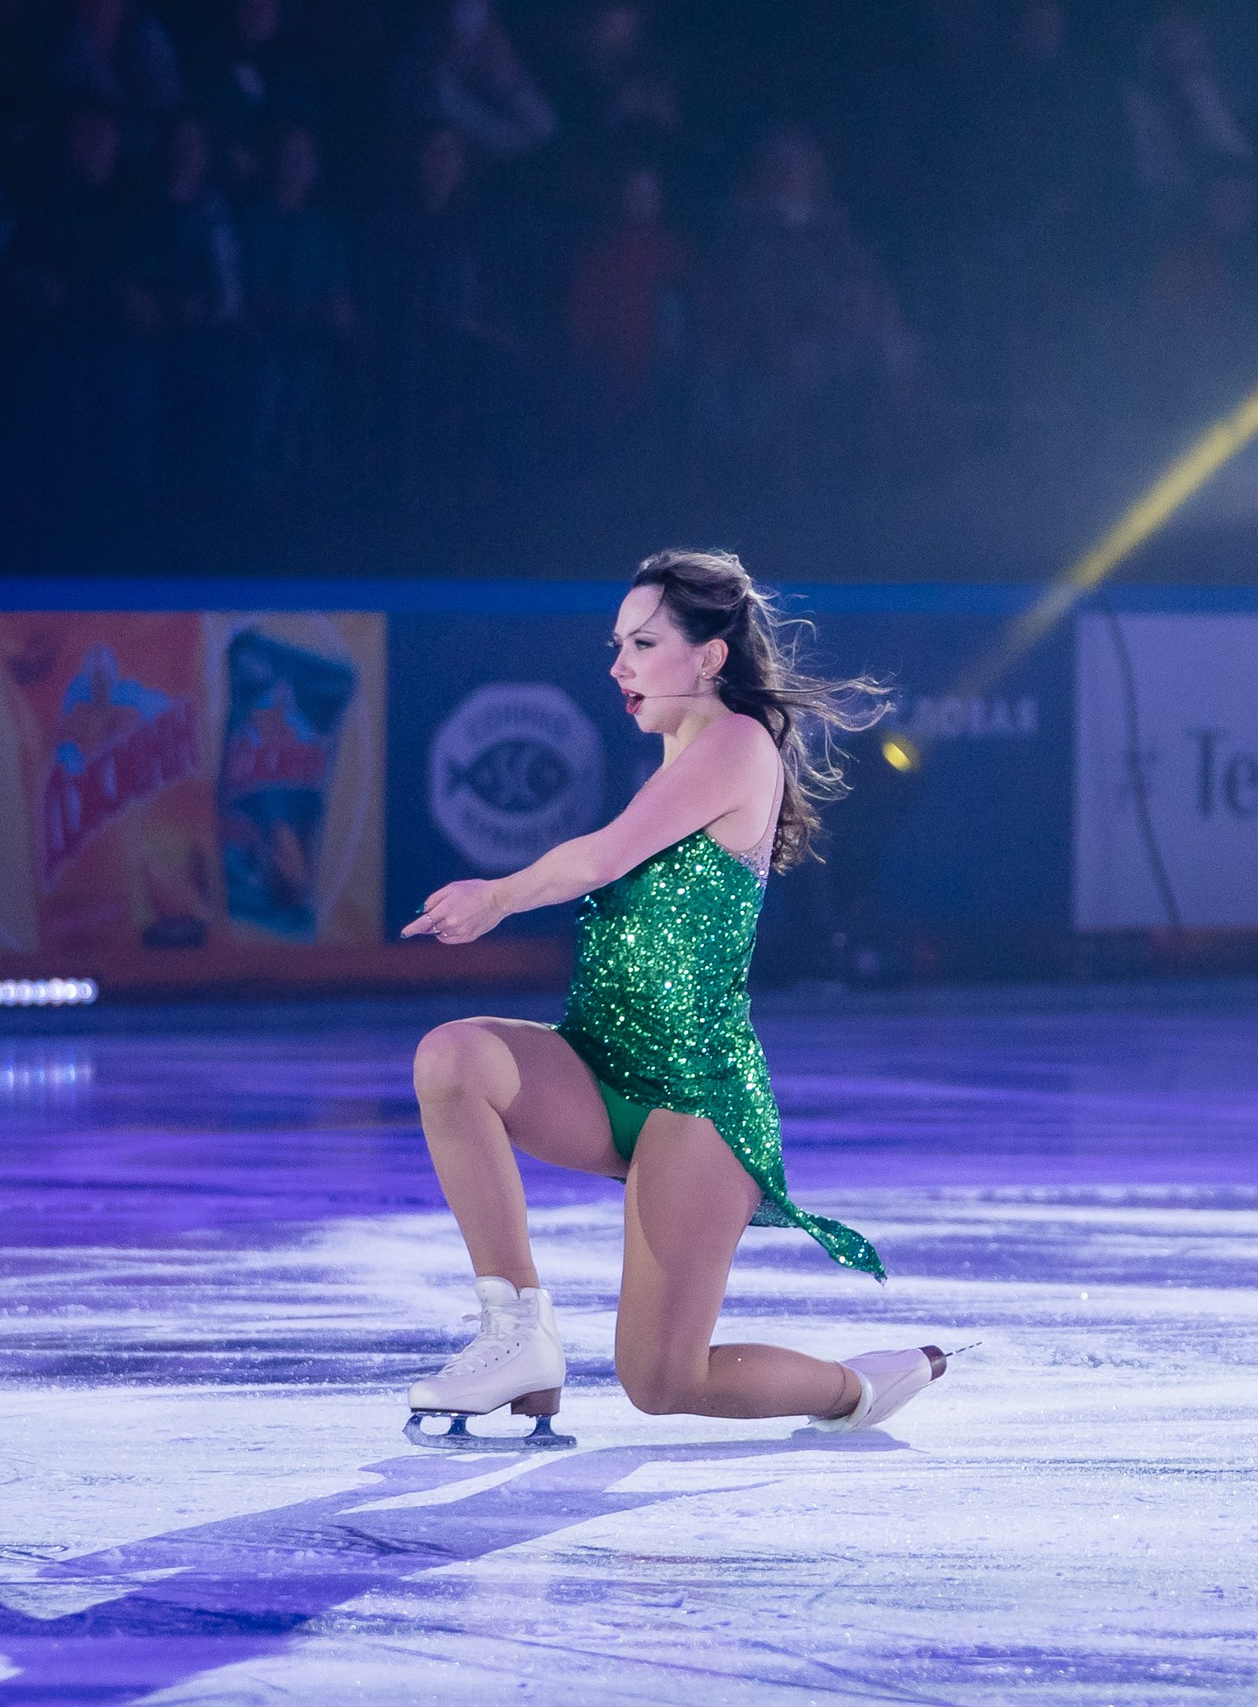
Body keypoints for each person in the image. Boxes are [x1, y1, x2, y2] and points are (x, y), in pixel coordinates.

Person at [399, 550, 952, 1447]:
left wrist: (496, 895)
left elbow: (605, 855)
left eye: (643, 642)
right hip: (599, 1063)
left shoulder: (737, 745)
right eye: (617, 643)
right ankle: (516, 1335)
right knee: (452, 1057)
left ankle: (855, 1387)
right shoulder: (676, 760)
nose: (619, 665)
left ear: (709, 658)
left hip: (697, 1101)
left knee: (660, 1379)